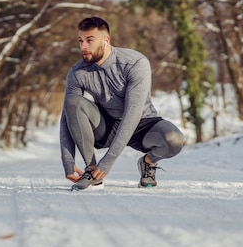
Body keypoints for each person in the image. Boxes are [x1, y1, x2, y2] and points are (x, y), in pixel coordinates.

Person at [59, 16, 184, 190]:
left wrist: (108, 162)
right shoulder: (78, 72)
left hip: (143, 123)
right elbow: (67, 113)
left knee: (174, 140)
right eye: (80, 41)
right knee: (72, 102)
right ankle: (91, 171)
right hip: (108, 126)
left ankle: (148, 163)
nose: (83, 47)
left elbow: (132, 113)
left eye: (89, 40)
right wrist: (68, 160)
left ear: (105, 40)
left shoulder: (135, 63)